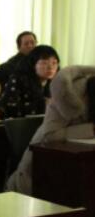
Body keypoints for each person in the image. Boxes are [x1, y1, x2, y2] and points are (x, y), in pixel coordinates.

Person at [7, 66, 95, 194]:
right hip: (38, 174)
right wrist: (91, 129)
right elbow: (50, 135)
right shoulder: (68, 94)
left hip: (75, 170)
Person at [0, 45, 60, 118]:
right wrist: (43, 104)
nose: (50, 67)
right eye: (44, 63)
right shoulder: (18, 79)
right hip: (22, 123)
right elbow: (10, 109)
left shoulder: (56, 82)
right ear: (33, 64)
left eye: (54, 63)